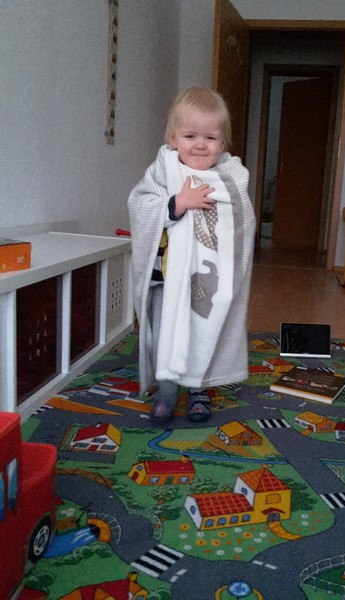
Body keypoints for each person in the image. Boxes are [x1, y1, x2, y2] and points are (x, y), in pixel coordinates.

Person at [128, 86, 255, 424]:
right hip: (168, 277)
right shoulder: (162, 169)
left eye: (210, 138)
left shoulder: (231, 177)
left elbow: (242, 220)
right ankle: (167, 390)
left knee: (203, 331)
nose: (200, 144)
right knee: (166, 333)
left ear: (223, 143)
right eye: (190, 136)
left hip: (206, 279)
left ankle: (199, 389)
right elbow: (139, 204)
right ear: (173, 138)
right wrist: (176, 204)